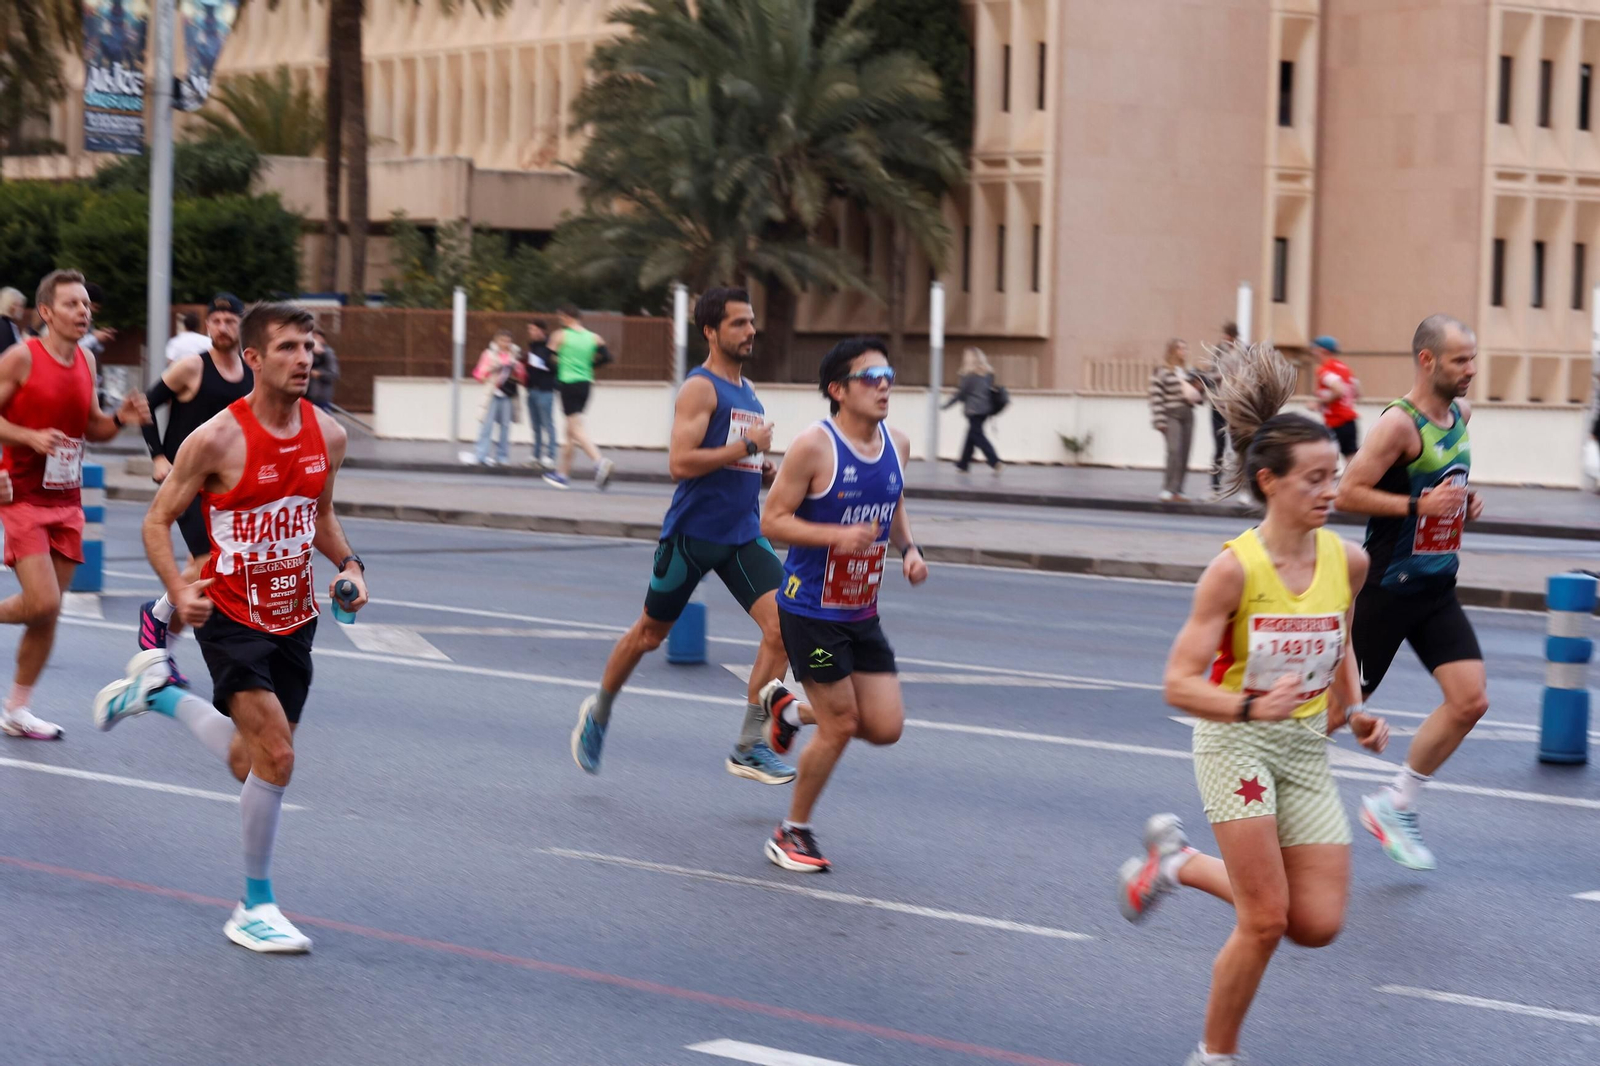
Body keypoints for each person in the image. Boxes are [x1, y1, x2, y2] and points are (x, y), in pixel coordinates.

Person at [1115, 341, 1390, 1066]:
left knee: (1317, 923)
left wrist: (1355, 707)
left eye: (1336, 476)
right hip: (1236, 744)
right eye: (1314, 479)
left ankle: (1174, 863)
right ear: (1269, 482)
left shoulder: (1348, 561)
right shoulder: (1233, 570)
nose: (1330, 491)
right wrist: (1246, 710)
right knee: (1266, 919)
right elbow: (1177, 683)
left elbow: (1342, 640)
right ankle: (1215, 1055)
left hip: (1303, 750)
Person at [93, 300, 369, 954]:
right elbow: (157, 521)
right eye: (287, 348)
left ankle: (156, 695)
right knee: (277, 755)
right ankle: (254, 904)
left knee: (252, 762)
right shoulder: (216, 438)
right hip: (230, 614)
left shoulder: (328, 435)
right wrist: (178, 592)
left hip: (295, 617)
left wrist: (352, 567)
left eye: (309, 347)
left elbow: (319, 515)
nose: (304, 358)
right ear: (252, 358)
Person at [571, 287, 802, 785]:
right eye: (739, 323)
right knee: (649, 636)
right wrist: (746, 444)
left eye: (752, 322)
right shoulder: (700, 388)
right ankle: (600, 712)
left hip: (742, 534)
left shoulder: (749, 391)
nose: (750, 331)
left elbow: (734, 455)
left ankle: (748, 746)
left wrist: (758, 466)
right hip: (692, 536)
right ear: (711, 332)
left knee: (785, 628)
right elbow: (681, 463)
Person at [758, 336, 928, 872]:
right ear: (837, 390)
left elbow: (892, 500)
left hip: (860, 611)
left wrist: (910, 549)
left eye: (888, 376)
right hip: (810, 614)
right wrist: (836, 536)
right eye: (869, 378)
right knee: (841, 725)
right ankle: (791, 831)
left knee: (884, 727)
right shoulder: (815, 446)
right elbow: (772, 521)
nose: (883, 386)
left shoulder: (896, 443)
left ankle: (789, 709)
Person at [1334, 313, 1485, 871]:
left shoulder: (1461, 415)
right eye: (1460, 360)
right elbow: (1346, 493)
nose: (1471, 369)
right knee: (1333, 715)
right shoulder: (1399, 426)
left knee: (1470, 700)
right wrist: (1419, 507)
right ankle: (1256, 803)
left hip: (1436, 585)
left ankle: (1394, 804)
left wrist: (1464, 500)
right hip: (1387, 587)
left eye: (1473, 357)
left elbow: (1443, 482)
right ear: (1427, 361)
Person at [0, 269, 150, 739]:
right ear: (46, 312)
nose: (82, 311)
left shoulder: (86, 362)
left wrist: (121, 419)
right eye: (71, 304)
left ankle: (17, 710)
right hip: (21, 496)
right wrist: (27, 436)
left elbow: (94, 429)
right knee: (41, 599)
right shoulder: (20, 358)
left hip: (67, 498)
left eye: (85, 304)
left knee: (49, 611)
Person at [137, 293, 252, 686]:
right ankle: (158, 628)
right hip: (186, 483)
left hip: (228, 490)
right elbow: (145, 404)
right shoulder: (191, 368)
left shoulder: (253, 373)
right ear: (207, 326)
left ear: (241, 325)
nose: (222, 327)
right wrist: (157, 457)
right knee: (207, 564)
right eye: (216, 320)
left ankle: (157, 638)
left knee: (203, 570)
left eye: (230, 320)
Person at [543, 305, 615, 490]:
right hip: (585, 384)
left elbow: (547, 359)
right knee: (570, 431)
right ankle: (562, 475)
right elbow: (607, 357)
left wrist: (559, 368)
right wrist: (590, 365)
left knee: (575, 429)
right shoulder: (593, 337)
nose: (560, 321)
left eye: (561, 318)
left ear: (567, 317)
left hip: (568, 383)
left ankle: (599, 462)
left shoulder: (560, 335)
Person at [1149, 339, 1203, 501]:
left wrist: (1199, 389)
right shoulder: (1162, 371)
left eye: (1185, 348)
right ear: (1172, 351)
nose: (1183, 351)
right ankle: (1167, 488)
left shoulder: (1189, 372)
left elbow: (1199, 398)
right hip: (1171, 414)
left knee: (1185, 452)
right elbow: (1155, 396)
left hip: (1188, 414)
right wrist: (1159, 420)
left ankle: (1178, 489)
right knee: (1174, 451)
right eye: (1180, 348)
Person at [1196, 322, 1240, 495]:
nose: (1225, 339)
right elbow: (1211, 373)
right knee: (1219, 445)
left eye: (1228, 335)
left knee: (1238, 446)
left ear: (1233, 336)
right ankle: (1215, 486)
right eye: (1224, 335)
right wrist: (1217, 376)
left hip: (1235, 405)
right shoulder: (1218, 351)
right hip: (1217, 404)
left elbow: (1245, 375)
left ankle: (1240, 487)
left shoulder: (1241, 352)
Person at [943, 346, 1002, 473]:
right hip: (985, 410)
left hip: (974, 411)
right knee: (971, 436)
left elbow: (961, 394)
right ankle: (963, 464)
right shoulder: (988, 374)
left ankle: (995, 462)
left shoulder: (969, 375)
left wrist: (947, 404)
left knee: (977, 436)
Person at [472, 329, 525, 466]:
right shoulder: (488, 354)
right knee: (486, 425)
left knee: (505, 426)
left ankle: (502, 456)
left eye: (508, 341)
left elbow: (522, 377)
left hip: (508, 394)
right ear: (496, 341)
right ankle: (481, 455)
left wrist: (517, 368)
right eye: (502, 340)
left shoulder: (515, 355)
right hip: (492, 393)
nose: (505, 344)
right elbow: (479, 374)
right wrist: (493, 368)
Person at [1311, 335, 1361, 463]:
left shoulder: (1325, 370)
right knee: (1350, 458)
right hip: (1349, 421)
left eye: (1314, 349)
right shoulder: (1344, 368)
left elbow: (1338, 390)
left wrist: (1320, 402)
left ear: (1323, 351)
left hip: (1336, 421)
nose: (1313, 352)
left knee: (1320, 456)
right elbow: (1357, 392)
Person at [522, 319, 557, 468]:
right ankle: (535, 456)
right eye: (530, 330)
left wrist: (539, 362)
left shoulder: (551, 347)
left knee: (547, 424)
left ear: (542, 331)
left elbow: (555, 367)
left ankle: (550, 456)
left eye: (534, 330)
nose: (531, 333)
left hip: (545, 390)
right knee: (535, 425)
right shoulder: (532, 347)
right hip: (532, 389)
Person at [308, 327, 340, 411]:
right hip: (308, 396)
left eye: (316, 338)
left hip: (320, 396)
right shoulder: (308, 353)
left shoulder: (328, 353)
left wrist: (319, 374)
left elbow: (333, 374)